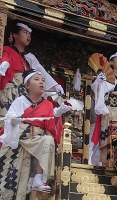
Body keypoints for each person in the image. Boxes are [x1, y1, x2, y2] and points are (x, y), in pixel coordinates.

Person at [0, 69, 71, 199]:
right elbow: (9, 120)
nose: (41, 83)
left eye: (43, 80)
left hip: (37, 142)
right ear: (27, 85)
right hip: (20, 140)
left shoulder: (48, 104)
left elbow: (50, 128)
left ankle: (38, 178)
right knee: (12, 181)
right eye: (37, 80)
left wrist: (56, 114)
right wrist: (14, 121)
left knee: (48, 140)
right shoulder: (21, 101)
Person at [0, 21, 64, 126]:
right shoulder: (7, 50)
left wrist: (55, 85)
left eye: (29, 34)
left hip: (24, 92)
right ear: (15, 35)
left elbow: (40, 71)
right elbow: (5, 59)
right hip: (10, 90)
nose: (28, 36)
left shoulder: (29, 58)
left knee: (23, 123)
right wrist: (4, 64)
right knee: (6, 121)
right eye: (25, 32)